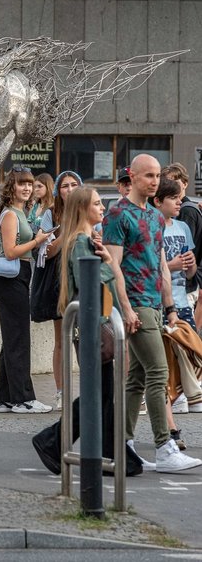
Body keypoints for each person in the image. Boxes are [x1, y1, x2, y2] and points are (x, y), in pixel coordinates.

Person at [31, 186, 145, 477]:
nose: (102, 208)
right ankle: (54, 441)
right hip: (94, 326)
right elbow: (91, 283)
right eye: (96, 204)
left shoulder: (83, 240)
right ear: (83, 208)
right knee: (100, 393)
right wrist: (109, 263)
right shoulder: (81, 242)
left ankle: (107, 452)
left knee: (102, 393)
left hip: (95, 325)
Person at [103, 154, 201, 472]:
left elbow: (160, 265)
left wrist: (170, 308)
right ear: (132, 177)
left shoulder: (155, 217)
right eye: (148, 176)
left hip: (154, 305)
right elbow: (112, 264)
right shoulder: (118, 213)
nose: (155, 181)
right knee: (158, 373)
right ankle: (164, 447)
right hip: (136, 304)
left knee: (138, 377)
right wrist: (126, 308)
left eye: (158, 175)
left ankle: (125, 444)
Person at [0, 168, 52, 414]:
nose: (27, 188)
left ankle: (5, 398)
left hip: (18, 275)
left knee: (12, 338)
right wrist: (37, 241)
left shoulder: (19, 212)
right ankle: (23, 399)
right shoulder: (10, 215)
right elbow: (10, 251)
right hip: (12, 275)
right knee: (18, 338)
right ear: (11, 188)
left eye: (30, 184)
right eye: (22, 184)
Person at [35, 170, 82, 412]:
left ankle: (89, 391)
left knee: (85, 340)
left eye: (74, 184)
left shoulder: (88, 210)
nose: (70, 189)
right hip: (60, 284)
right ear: (58, 190)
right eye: (65, 185)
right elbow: (46, 252)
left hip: (84, 283)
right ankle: (62, 392)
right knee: (62, 339)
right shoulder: (51, 215)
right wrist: (66, 231)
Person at [153, 178, 197, 329]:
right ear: (158, 201)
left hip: (182, 303)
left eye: (179, 197)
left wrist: (191, 263)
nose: (179, 202)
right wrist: (171, 266)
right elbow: (145, 272)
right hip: (158, 306)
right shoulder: (150, 228)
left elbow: (190, 274)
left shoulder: (183, 226)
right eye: (173, 198)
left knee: (191, 349)